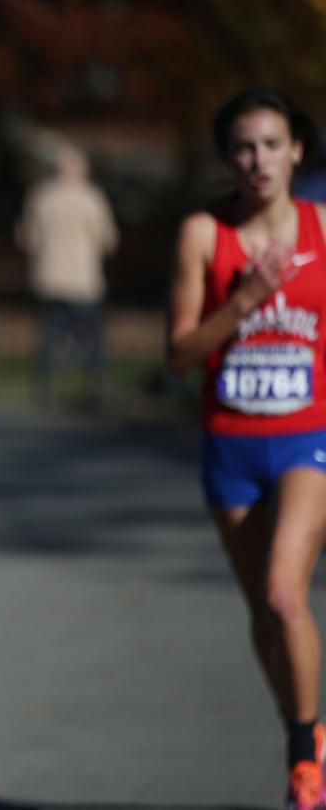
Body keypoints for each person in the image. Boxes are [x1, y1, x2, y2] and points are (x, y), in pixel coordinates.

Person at [167, 88, 326, 810]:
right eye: (243, 146)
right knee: (264, 618)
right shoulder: (206, 233)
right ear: (228, 157)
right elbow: (178, 353)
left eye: (271, 143)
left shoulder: (323, 228)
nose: (257, 159)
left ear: (297, 149)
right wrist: (240, 302)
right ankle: (308, 729)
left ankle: (303, 759)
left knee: (283, 593)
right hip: (231, 444)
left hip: (307, 440)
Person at [16, 141, 118, 407]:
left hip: (50, 278)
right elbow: (107, 240)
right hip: (85, 280)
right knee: (94, 338)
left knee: (49, 338)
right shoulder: (93, 199)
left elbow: (28, 239)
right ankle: (98, 389)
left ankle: (46, 390)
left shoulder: (41, 197)